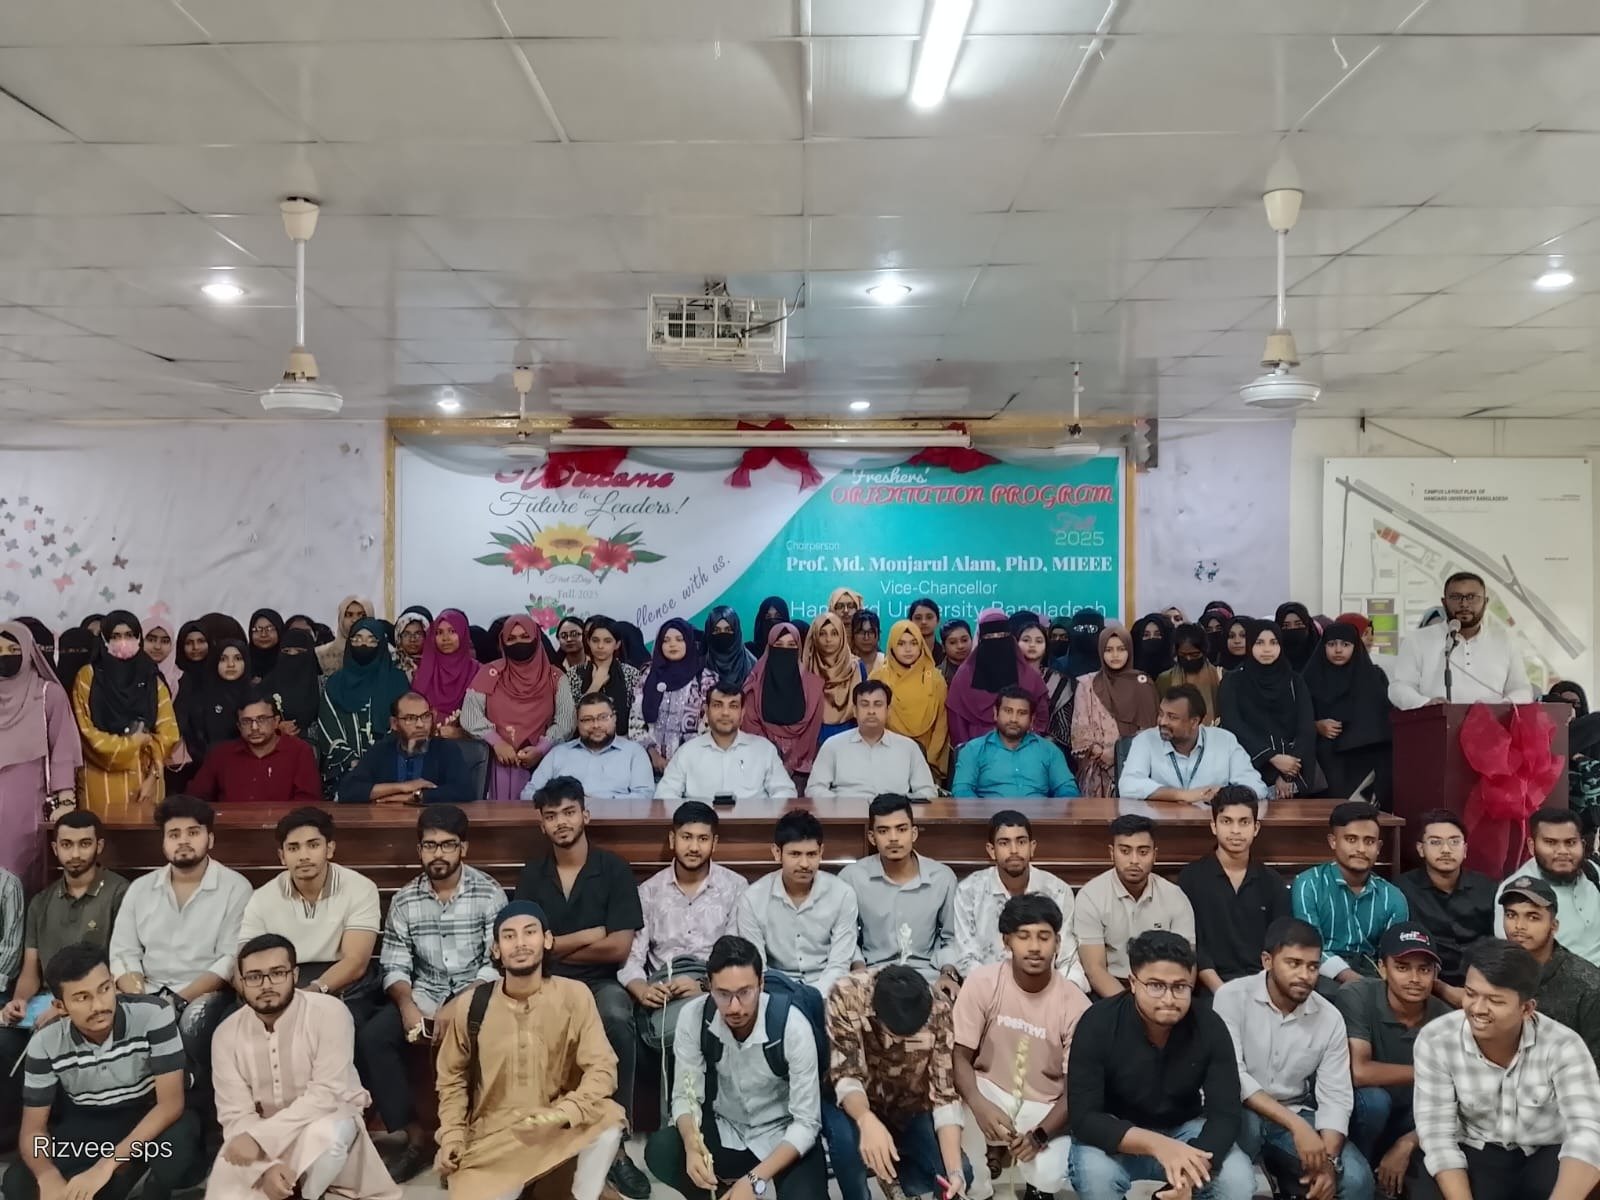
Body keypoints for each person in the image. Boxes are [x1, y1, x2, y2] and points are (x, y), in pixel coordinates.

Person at [513, 777, 650, 1198]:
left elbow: (618, 947)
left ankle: (617, 1142)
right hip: (548, 982)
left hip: (601, 982)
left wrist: (556, 945)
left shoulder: (614, 868)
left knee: (615, 1017)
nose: (561, 822)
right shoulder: (533, 874)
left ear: (585, 815)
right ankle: (543, 1139)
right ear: (541, 824)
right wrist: (588, 935)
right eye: (551, 815)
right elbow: (528, 947)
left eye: (569, 812)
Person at [434, 901, 627, 1200]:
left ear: (547, 940)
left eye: (530, 932)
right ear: (496, 949)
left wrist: (564, 1112)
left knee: (608, 1120)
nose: (520, 943)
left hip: (554, 1128)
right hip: (494, 1140)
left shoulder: (574, 995)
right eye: (509, 936)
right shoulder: (472, 1005)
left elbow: (602, 1069)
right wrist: (452, 1135)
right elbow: (452, 1079)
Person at [359, 804, 502, 1183]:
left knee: (491, 1032)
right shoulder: (405, 899)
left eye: (448, 845)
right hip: (424, 992)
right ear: (419, 849)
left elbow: (495, 965)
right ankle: (415, 1136)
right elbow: (395, 965)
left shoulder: (488, 893)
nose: (438, 854)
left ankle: (475, 1140)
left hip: (478, 992)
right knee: (374, 1037)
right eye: (430, 845)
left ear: (463, 848)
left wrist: (459, 1004)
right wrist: (406, 1005)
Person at [207, 934, 399, 1200]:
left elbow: (326, 1095)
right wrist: (266, 1167)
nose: (266, 985)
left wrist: (260, 1139)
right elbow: (234, 1113)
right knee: (229, 1165)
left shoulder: (329, 1012)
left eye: (277, 973)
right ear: (240, 982)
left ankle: (308, 1195)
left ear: (295, 975)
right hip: (259, 1130)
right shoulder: (226, 1034)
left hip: (326, 1117)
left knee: (325, 1136)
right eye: (254, 977)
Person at [1066, 931, 1255, 1200]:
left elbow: (1225, 1114)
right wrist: (1158, 1145)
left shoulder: (1209, 1025)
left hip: (1183, 1130)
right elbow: (1084, 1118)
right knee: (1096, 1176)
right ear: (1133, 982)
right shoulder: (1098, 1022)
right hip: (1117, 1134)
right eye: (1156, 985)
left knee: (1237, 1180)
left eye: (1180, 987)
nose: (1169, 999)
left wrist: (1190, 1172)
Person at [6, 943, 199, 1200]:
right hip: (91, 1122)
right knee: (18, 1184)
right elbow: (34, 1130)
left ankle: (136, 1177)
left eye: (104, 989)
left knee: (174, 1151)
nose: (98, 1005)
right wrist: (47, 1176)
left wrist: (106, 1165)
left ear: (114, 984)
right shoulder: (45, 1042)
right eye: (82, 997)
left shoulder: (153, 1013)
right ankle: (125, 1178)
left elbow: (170, 1105)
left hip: (149, 1113)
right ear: (60, 1006)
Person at [1413, 939, 1600, 1200]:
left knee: (1587, 1176)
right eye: (1471, 994)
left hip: (1546, 1151)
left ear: (1526, 1009)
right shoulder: (1436, 1039)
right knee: (1427, 1183)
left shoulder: (1563, 1045)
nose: (1477, 1009)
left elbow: (1587, 1132)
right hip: (1478, 1150)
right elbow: (1437, 1137)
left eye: (1495, 1000)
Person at [644, 935, 827, 1200]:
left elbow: (807, 1123)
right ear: (708, 986)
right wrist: (693, 1146)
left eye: (745, 993)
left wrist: (754, 1180)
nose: (734, 1007)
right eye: (723, 994)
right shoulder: (693, 1017)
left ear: (761, 984)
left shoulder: (792, 1026)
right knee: (663, 1149)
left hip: (783, 1133)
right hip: (727, 1126)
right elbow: (685, 1096)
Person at [1214, 918, 1372, 1200]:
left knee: (1356, 1180)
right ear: (1267, 961)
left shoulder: (1330, 1018)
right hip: (1239, 1110)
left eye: (1313, 966)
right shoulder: (1232, 997)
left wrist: (1329, 1162)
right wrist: (1297, 1127)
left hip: (1295, 1109)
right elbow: (1233, 1077)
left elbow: (1336, 1095)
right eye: (1294, 963)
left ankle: (1288, 1175)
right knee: (1245, 1141)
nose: (1305, 975)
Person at [952, 895, 1090, 1200]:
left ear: (1058, 942)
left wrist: (1040, 1135)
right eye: (1023, 936)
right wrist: (978, 1103)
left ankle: (1037, 1188)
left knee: (1050, 1174)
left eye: (1044, 937)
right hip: (989, 1090)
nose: (1034, 947)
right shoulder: (982, 982)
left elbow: (1075, 1091)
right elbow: (959, 1057)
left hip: (1044, 1103)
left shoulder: (1076, 1004)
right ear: (1007, 941)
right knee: (952, 1106)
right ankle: (977, 1187)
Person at [108, 795, 251, 1050]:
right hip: (146, 991)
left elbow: (228, 960)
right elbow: (123, 953)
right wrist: (141, 1000)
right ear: (164, 843)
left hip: (204, 995)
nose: (183, 841)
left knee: (192, 1022)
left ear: (210, 839)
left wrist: (176, 1001)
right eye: (174, 834)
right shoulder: (141, 888)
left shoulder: (235, 888)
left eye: (193, 833)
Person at [825, 964, 970, 1200]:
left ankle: (897, 1179)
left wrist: (955, 1173)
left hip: (908, 1103)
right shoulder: (846, 994)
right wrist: (865, 1118)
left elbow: (944, 1096)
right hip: (856, 1103)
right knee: (846, 1145)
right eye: (895, 1036)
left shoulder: (940, 1009)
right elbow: (846, 1076)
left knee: (960, 1174)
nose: (898, 1043)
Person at [621, 802, 747, 1053]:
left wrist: (704, 985)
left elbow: (737, 954)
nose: (694, 847)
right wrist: (642, 990)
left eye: (703, 839)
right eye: (686, 837)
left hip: (715, 987)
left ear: (714, 843)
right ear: (672, 839)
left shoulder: (735, 887)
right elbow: (632, 957)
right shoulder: (648, 892)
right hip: (663, 990)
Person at [1336, 923, 1450, 1198]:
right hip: (1362, 1115)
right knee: (1375, 1101)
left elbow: (1455, 1097)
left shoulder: (1446, 1018)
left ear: (1435, 974)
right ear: (1382, 968)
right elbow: (1359, 1072)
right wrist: (1432, 1072)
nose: (1415, 978)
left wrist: (1408, 1143)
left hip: (1414, 1120)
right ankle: (1362, 1172)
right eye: (1402, 967)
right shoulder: (1357, 995)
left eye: (1424, 970)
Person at [238, 808, 380, 1022]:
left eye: (313, 845)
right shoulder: (262, 898)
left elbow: (355, 961)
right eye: (293, 848)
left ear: (329, 849)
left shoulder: (360, 888)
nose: (303, 856)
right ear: (282, 856)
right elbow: (244, 961)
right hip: (282, 980)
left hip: (342, 982)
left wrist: (312, 992)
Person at [5, 811, 129, 1027]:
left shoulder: (120, 893)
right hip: (46, 1001)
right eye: (66, 845)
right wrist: (19, 1001)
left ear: (99, 846)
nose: (75, 854)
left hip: (96, 1001)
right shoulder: (40, 902)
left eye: (84, 844)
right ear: (55, 848)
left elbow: (124, 966)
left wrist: (65, 1008)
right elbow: (30, 971)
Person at [953, 811, 1086, 989]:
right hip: (989, 991)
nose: (1014, 850)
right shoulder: (969, 891)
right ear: (991, 850)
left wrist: (1062, 995)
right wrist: (1002, 994)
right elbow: (967, 960)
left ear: (1032, 847)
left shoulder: (1058, 891)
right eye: (1004, 843)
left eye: (1021, 842)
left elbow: (1067, 960)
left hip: (1047, 991)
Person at [839, 795, 960, 989]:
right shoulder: (851, 877)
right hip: (873, 976)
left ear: (914, 833)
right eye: (883, 831)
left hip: (927, 976)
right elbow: (845, 937)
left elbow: (952, 938)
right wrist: (859, 970)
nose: (893, 838)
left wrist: (947, 974)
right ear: (872, 837)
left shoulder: (942, 878)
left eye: (901, 829)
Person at [1179, 787, 1292, 992]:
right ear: (1213, 826)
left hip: (1262, 986)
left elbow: (1280, 945)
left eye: (1244, 822)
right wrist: (1222, 992)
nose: (1236, 831)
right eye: (1227, 821)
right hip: (1210, 988)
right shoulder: (1191, 878)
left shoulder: (1273, 882)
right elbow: (1194, 947)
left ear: (1256, 828)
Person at [735, 810, 859, 999]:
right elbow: (758, 968)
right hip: (775, 989)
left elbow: (839, 965)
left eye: (812, 854)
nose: (804, 864)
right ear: (777, 852)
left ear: (821, 852)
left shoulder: (842, 894)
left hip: (828, 989)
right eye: (795, 854)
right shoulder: (752, 899)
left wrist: (812, 997)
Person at [1074, 816, 1196, 998]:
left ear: (1154, 854)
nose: (1134, 860)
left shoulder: (1175, 896)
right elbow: (1094, 969)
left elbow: (1188, 963)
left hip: (1164, 991)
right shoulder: (1090, 896)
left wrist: (1165, 997)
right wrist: (1131, 1007)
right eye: (1125, 851)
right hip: (1112, 990)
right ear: (1112, 853)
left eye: (1143, 852)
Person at [1292, 802, 1409, 985]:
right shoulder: (1309, 884)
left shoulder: (1393, 897)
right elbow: (1309, 946)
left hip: (1374, 977)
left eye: (1369, 841)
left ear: (1378, 847)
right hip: (1319, 974)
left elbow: (1394, 955)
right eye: (1351, 839)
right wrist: (1352, 979)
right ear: (1333, 841)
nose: (1361, 849)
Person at [461, 613, 574, 803]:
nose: (518, 642)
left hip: (544, 763)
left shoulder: (556, 677)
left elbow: (566, 721)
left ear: (536, 638)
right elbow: (470, 714)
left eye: (524, 637)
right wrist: (497, 742)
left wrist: (541, 749)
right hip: (496, 763)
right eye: (511, 638)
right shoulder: (489, 673)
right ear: (502, 642)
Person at [72, 611, 179, 809]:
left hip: (147, 779)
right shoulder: (88, 677)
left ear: (138, 638)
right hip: (100, 779)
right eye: (115, 636)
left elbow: (169, 732)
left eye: (129, 635)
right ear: (104, 639)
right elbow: (85, 731)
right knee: (102, 828)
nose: (123, 641)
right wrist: (134, 743)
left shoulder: (151, 677)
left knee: (147, 828)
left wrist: (154, 774)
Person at [0, 621, 78, 884]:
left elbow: (62, 751)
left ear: (28, 652)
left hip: (28, 804)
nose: (5, 656)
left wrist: (66, 801)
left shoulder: (48, 694)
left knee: (23, 871)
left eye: (14, 650)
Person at [1390, 571, 1535, 711]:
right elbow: (1399, 687)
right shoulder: (1417, 640)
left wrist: (1502, 708)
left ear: (1485, 602)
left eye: (1472, 597)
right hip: (1436, 723)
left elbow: (1521, 689)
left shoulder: (1504, 641)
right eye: (1455, 597)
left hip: (1492, 725)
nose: (1464, 604)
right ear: (1444, 602)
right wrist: (1426, 704)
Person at [1396, 809, 1495, 1005]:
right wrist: (1441, 989)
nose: (1446, 850)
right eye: (1435, 842)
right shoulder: (1402, 890)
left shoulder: (1488, 888)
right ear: (1420, 849)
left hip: (1485, 985)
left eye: (1454, 842)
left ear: (1465, 849)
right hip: (1427, 989)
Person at [1498, 874, 1600, 1062]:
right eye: (1511, 915)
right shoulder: (1496, 969)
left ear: (1554, 926)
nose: (1519, 926)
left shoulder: (1588, 986)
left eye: (1533, 917)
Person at [309, 617, 411, 800]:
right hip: (347, 771)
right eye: (357, 639)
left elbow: (405, 721)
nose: (363, 644)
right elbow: (329, 728)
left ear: (382, 645)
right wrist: (353, 761)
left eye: (371, 640)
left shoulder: (397, 681)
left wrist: (379, 760)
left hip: (392, 766)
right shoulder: (336, 683)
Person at [1218, 620, 1319, 798]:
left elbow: (1306, 729)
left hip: (1293, 770)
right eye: (1259, 643)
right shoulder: (1233, 681)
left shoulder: (1294, 681)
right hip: (1248, 769)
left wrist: (1287, 773)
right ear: (1250, 645)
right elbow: (1233, 724)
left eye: (1273, 642)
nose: (1267, 649)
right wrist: (1271, 757)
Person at [1118, 685, 1270, 803]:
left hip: (1213, 824)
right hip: (1161, 826)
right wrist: (1182, 795)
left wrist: (1222, 794)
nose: (1162, 722)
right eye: (1161, 713)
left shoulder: (1225, 741)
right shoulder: (1145, 740)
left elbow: (1257, 788)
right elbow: (1128, 785)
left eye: (1172, 717)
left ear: (1194, 722)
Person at [1494, 806, 1600, 966]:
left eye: (1570, 842)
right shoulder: (1518, 892)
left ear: (1582, 845)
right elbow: (1516, 962)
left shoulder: (1592, 872)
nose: (1562, 851)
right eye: (1551, 842)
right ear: (1532, 846)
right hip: (1562, 979)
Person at [656, 681, 796, 801]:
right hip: (700, 823)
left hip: (752, 822)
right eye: (718, 705)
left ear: (742, 712)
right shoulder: (687, 752)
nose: (725, 713)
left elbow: (786, 792)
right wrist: (692, 816)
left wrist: (760, 815)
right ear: (706, 711)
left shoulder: (764, 750)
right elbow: (664, 794)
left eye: (733, 706)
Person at [1303, 620, 1393, 805]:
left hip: (1366, 763)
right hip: (1323, 765)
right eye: (1331, 644)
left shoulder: (1373, 677)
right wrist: (1315, 726)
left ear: (1355, 646)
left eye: (1345, 644)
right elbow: (1295, 718)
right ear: (1323, 646)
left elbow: (1383, 724)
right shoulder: (1309, 678)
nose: (1338, 650)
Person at [337, 690, 475, 804]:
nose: (420, 725)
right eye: (410, 718)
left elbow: (464, 791)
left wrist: (414, 796)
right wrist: (403, 787)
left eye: (425, 716)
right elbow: (347, 790)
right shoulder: (380, 751)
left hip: (433, 824)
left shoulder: (446, 749)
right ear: (394, 723)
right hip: (386, 824)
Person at [190, 689, 323, 806]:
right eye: (246, 721)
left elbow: (308, 802)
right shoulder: (221, 755)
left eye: (262, 719)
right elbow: (194, 799)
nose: (254, 727)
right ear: (238, 726)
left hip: (285, 825)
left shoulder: (299, 751)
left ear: (276, 721)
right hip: (231, 825)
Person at [808, 682, 938, 800]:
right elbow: (814, 789)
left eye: (878, 704)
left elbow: (928, 792)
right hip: (846, 814)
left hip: (894, 815)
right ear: (855, 711)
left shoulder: (908, 747)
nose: (871, 711)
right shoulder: (833, 745)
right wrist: (842, 804)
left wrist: (901, 804)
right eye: (864, 705)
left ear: (888, 711)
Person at [1070, 625, 1158, 797]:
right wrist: (1103, 754)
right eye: (1108, 650)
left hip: (1137, 769)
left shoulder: (1143, 683)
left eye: (1121, 649)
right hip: (1098, 772)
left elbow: (1151, 730)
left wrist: (1120, 755)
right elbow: (1080, 730)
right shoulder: (1087, 684)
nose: (1115, 655)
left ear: (1130, 650)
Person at [950, 686, 1079, 799]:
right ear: (995, 713)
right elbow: (961, 791)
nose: (1014, 719)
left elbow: (1068, 790)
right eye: (1008, 711)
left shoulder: (1049, 751)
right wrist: (983, 814)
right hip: (989, 818)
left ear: (1032, 719)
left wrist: (1053, 812)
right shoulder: (973, 750)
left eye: (1022, 713)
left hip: (1039, 818)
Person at [522, 692, 654, 800]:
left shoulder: (634, 752)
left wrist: (600, 802)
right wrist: (565, 803)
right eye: (587, 720)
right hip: (566, 821)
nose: (596, 725)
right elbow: (528, 794)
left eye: (603, 717)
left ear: (614, 718)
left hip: (619, 821)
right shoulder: (558, 753)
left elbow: (645, 796)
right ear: (577, 723)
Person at [947, 608, 1048, 748]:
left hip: (1023, 750)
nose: (996, 642)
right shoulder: (964, 676)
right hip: (977, 752)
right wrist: (969, 752)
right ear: (981, 640)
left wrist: (1027, 746)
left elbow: (1041, 718)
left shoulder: (1028, 676)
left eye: (1001, 636)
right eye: (989, 637)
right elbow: (957, 724)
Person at [869, 618, 951, 780]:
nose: (908, 649)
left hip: (928, 762)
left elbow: (942, 724)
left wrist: (930, 761)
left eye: (913, 643)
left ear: (921, 645)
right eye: (901, 643)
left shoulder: (935, 679)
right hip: (886, 760)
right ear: (892, 645)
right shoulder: (878, 677)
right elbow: (871, 720)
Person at [740, 623, 824, 776]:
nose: (785, 650)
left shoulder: (813, 687)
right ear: (769, 649)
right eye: (779, 645)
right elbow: (751, 729)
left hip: (802, 771)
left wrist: (791, 764)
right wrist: (773, 762)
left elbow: (811, 734)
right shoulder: (754, 686)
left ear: (799, 649)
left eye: (791, 645)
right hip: (760, 768)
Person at [635, 618, 718, 774]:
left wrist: (681, 761)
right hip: (648, 765)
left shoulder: (705, 679)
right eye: (666, 640)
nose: (672, 644)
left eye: (679, 639)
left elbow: (709, 725)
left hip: (692, 768)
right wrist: (653, 755)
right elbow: (636, 719)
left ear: (689, 642)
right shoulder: (648, 674)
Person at [175, 639, 252, 770]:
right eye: (223, 659)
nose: (231, 665)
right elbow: (193, 739)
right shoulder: (201, 699)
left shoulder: (256, 698)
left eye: (238, 658)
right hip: (206, 767)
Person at [567, 616, 644, 738]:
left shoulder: (631, 674)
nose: (600, 646)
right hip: (583, 742)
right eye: (595, 640)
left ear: (617, 644)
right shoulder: (574, 674)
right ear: (588, 642)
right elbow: (569, 719)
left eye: (607, 641)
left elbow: (637, 718)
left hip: (623, 742)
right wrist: (595, 686)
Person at [409, 608, 479, 736]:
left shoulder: (477, 671)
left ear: (463, 634)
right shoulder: (423, 670)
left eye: (452, 631)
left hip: (465, 742)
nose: (445, 638)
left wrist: (459, 733)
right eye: (439, 632)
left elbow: (484, 718)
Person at [803, 611, 865, 744]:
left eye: (834, 633)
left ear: (842, 636)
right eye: (822, 633)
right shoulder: (807, 668)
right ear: (814, 636)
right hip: (814, 741)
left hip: (851, 739)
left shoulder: (857, 668)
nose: (828, 639)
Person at [1016, 616, 1075, 756]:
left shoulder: (1060, 681)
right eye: (1026, 640)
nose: (1032, 645)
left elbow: (1063, 729)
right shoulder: (1006, 677)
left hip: (1047, 752)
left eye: (1039, 641)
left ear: (1046, 646)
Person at [261, 626, 323, 738]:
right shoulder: (266, 685)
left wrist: (304, 733)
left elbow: (332, 724)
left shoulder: (323, 685)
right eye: (287, 651)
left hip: (315, 746)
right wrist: (276, 727)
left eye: (299, 651)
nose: (292, 656)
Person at [1156, 623, 1224, 727]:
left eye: (1195, 655)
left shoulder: (1219, 676)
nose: (1188, 659)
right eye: (1183, 655)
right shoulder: (1165, 679)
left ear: (1204, 651)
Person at [315, 596, 374, 677]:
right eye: (349, 615)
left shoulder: (384, 655)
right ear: (341, 618)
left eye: (362, 615)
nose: (354, 620)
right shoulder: (320, 654)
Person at [703, 605, 756, 691]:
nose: (722, 634)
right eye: (717, 630)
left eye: (728, 630)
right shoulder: (700, 665)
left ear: (736, 632)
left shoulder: (752, 664)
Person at [1275, 602, 1321, 673]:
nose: (1292, 628)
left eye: (1298, 624)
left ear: (1308, 626)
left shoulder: (1321, 654)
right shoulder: (1270, 657)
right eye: (1286, 626)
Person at [1130, 613, 1176, 680]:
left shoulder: (1177, 673)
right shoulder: (1130, 674)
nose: (1152, 638)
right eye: (1146, 635)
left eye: (1157, 634)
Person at [247, 608, 285, 681]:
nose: (263, 634)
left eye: (270, 629)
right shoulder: (241, 659)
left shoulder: (289, 659)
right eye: (257, 629)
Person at [391, 609, 429, 679]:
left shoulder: (435, 665)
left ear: (426, 636)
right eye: (406, 634)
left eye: (418, 634)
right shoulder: (390, 664)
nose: (412, 639)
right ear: (399, 637)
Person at [938, 618, 972, 684]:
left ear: (972, 640)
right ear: (943, 647)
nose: (960, 646)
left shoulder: (983, 670)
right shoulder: (936, 675)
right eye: (952, 642)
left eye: (964, 640)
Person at [851, 610, 884, 676]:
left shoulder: (887, 663)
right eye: (861, 632)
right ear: (853, 635)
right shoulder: (847, 665)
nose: (866, 638)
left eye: (871, 632)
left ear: (878, 635)